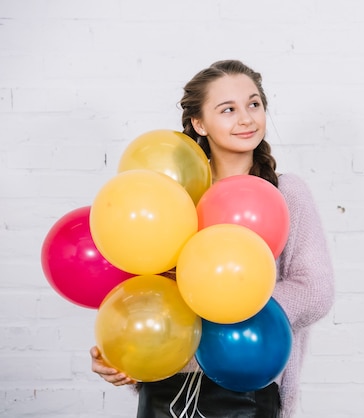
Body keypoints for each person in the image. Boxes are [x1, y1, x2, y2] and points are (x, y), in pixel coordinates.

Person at [90, 59, 335, 418]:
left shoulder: (286, 193)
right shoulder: (172, 196)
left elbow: (315, 290)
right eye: (228, 109)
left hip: (247, 389)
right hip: (165, 388)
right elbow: (145, 289)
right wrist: (124, 349)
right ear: (199, 123)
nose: (246, 118)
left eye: (254, 104)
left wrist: (230, 303)